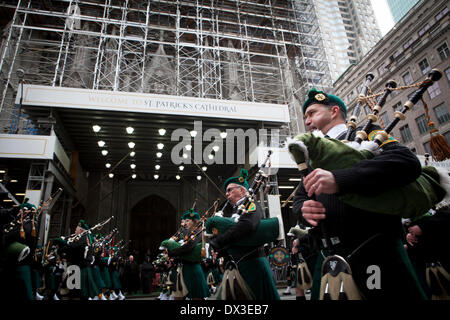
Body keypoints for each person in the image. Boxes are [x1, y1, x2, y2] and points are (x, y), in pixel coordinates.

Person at [292, 88, 427, 300]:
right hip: (329, 255)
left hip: (375, 251)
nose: (307, 120)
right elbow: (301, 196)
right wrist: (303, 210)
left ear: (334, 111)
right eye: (305, 116)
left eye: (312, 113)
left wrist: (340, 179)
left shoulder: (367, 133)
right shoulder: (313, 155)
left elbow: (407, 163)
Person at [208, 169, 280, 300]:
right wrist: (221, 250)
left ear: (242, 190)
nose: (227, 193)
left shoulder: (251, 205)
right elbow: (236, 239)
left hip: (253, 265)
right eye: (226, 191)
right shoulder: (235, 211)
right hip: (240, 264)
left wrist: (219, 242)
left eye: (230, 190)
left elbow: (247, 226)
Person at [167, 209, 210, 300]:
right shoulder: (184, 233)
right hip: (181, 268)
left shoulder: (198, 233)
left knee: (196, 297)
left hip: (192, 268)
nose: (185, 223)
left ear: (194, 221)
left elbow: (188, 247)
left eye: (187, 221)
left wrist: (172, 253)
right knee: (178, 297)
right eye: (184, 220)